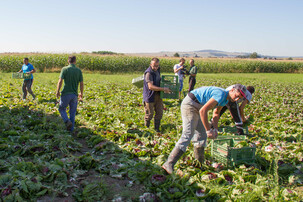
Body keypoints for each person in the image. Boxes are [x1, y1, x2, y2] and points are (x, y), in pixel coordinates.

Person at [162, 84, 247, 174]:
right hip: (190, 104)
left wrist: (215, 129)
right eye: (237, 96)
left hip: (198, 107)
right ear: (232, 90)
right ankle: (169, 164)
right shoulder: (221, 94)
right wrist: (208, 130)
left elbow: (216, 113)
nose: (237, 99)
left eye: (239, 98)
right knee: (188, 134)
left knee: (201, 136)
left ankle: (199, 164)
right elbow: (203, 111)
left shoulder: (225, 99)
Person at [143, 57, 171, 132]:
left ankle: (157, 129)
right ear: (150, 64)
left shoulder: (157, 71)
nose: (155, 67)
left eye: (157, 66)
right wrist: (163, 89)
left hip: (158, 95)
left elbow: (158, 79)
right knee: (150, 114)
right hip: (150, 96)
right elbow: (150, 87)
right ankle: (146, 129)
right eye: (154, 66)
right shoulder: (149, 73)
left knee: (159, 112)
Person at [56, 56, 84, 132]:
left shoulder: (64, 69)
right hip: (74, 95)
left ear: (68, 61)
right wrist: (81, 93)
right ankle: (71, 131)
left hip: (66, 93)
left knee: (61, 109)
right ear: (75, 61)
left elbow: (60, 81)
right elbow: (81, 83)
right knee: (72, 112)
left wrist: (57, 91)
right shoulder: (78, 71)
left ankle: (67, 121)